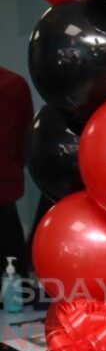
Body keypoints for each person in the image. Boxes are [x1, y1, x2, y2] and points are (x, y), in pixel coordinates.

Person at [0, 67, 33, 285]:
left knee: (15, 290)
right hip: (4, 197)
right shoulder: (12, 84)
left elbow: (25, 144)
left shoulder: (12, 86)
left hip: (3, 201)